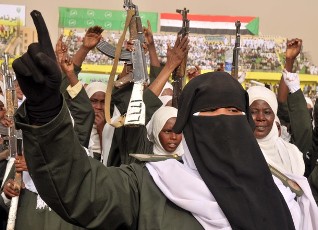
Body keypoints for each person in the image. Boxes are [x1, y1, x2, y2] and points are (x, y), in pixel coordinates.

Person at [248, 85, 305, 176]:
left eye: (267, 112)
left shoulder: (292, 154)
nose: (261, 118)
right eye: (253, 112)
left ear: (274, 115)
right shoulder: (235, 151)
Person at [85, 81, 106, 160]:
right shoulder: (78, 123)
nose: (99, 107)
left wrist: (102, 130)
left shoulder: (112, 125)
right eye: (94, 101)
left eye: (103, 102)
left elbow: (108, 156)